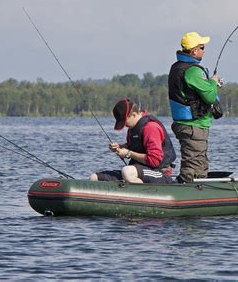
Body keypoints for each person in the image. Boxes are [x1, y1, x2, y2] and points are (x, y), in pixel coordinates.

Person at [168, 32, 222, 183]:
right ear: (193, 51)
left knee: (199, 164)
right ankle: (188, 193)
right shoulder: (192, 71)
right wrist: (213, 82)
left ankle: (197, 190)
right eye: (202, 47)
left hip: (189, 124)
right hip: (193, 126)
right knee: (193, 166)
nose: (204, 50)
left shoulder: (177, 67)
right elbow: (210, 97)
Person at [89, 98, 176, 184]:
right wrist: (121, 147)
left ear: (134, 114)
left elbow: (154, 160)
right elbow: (137, 146)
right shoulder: (133, 127)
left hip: (159, 173)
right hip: (139, 171)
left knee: (127, 172)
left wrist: (128, 153)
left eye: (125, 122)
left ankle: (144, 195)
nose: (125, 126)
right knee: (95, 178)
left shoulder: (150, 128)